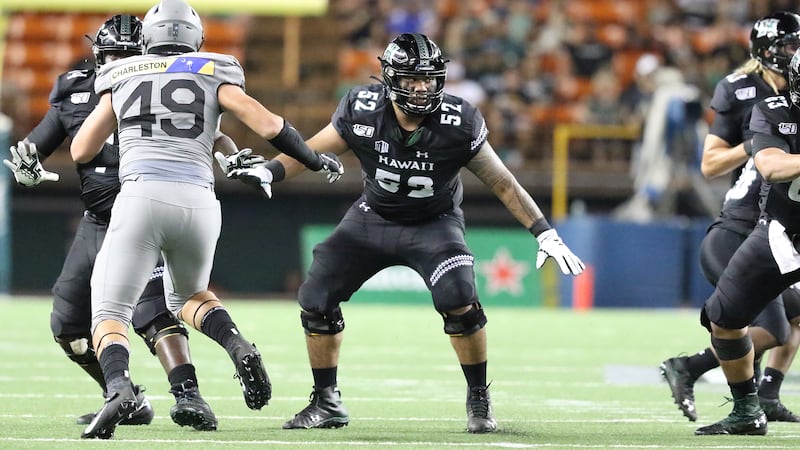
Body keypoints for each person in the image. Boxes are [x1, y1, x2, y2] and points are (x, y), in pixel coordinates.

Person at [232, 32, 584, 433]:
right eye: (411, 79)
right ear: (389, 79)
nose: (422, 88)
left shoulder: (459, 121)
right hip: (373, 217)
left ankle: (479, 399)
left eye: (429, 79)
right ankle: (327, 401)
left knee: (459, 297)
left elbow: (503, 182)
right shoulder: (362, 108)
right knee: (315, 296)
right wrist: (270, 171)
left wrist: (543, 231)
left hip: (434, 224)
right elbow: (311, 151)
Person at [68, 0, 343, 440]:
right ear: (194, 38)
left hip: (140, 194)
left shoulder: (122, 74)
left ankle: (118, 388)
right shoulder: (213, 70)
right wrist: (313, 158)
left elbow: (81, 150)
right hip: (199, 199)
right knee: (189, 296)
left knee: (109, 311)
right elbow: (269, 124)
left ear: (149, 38)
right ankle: (237, 344)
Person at [2, 13, 226, 432]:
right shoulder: (74, 90)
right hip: (96, 221)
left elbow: (208, 132)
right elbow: (36, 144)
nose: (117, 63)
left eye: (127, 55)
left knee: (154, 313)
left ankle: (189, 395)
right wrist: (25, 162)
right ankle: (124, 396)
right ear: (97, 55)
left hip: (141, 211)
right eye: (111, 56)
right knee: (68, 326)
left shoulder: (161, 87)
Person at [660, 12, 800, 425]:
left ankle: (765, 396)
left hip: (778, 214)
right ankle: (707, 378)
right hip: (751, 220)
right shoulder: (747, 96)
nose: (793, 53)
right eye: (789, 46)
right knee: (765, 325)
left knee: (792, 316)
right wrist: (759, 145)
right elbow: (712, 164)